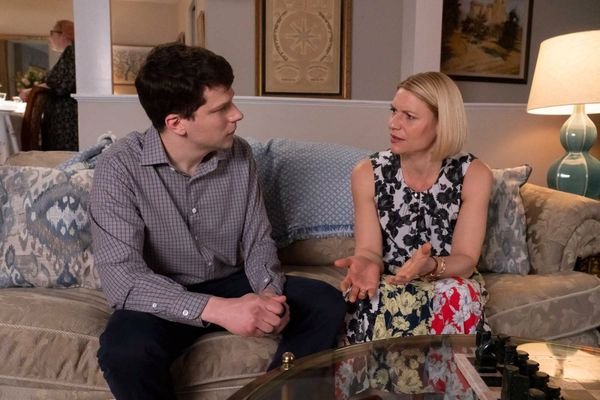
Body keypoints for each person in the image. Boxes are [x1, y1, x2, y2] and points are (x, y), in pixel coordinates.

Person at [89, 43, 346, 400]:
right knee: (124, 353)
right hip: (163, 291)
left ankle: (275, 396)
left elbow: (257, 241)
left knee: (325, 302)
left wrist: (268, 296)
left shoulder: (240, 155)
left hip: (231, 280)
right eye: (221, 108)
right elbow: (124, 279)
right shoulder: (118, 166)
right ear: (177, 123)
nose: (237, 115)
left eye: (232, 102)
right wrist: (220, 310)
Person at [335, 72, 493, 344]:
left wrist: (430, 266)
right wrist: (366, 262)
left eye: (409, 116)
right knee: (371, 298)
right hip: (390, 277)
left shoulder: (474, 174)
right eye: (393, 111)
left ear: (442, 123)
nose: (393, 123)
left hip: (446, 275)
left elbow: (466, 259)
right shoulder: (367, 172)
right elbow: (369, 250)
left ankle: (449, 373)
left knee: (458, 293)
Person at [20, 19, 78, 151]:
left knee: (60, 152)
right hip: (63, 113)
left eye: (52, 34)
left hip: (63, 115)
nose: (50, 39)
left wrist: (33, 91)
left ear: (63, 35)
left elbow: (61, 83)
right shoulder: (72, 53)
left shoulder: (71, 52)